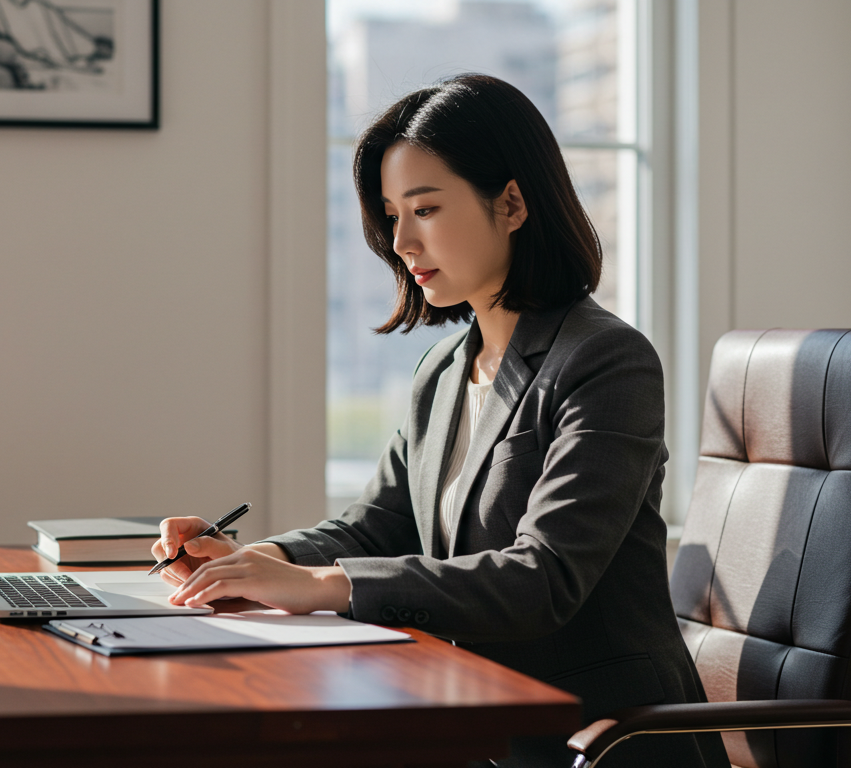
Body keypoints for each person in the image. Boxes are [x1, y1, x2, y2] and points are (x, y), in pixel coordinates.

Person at [151, 75, 728, 767]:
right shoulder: (445, 367)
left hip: (594, 739)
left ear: (511, 203)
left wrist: (322, 587)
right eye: (392, 214)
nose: (400, 240)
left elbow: (541, 579)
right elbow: (375, 524)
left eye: (424, 209)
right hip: (470, 712)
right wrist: (255, 561)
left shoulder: (607, 360)